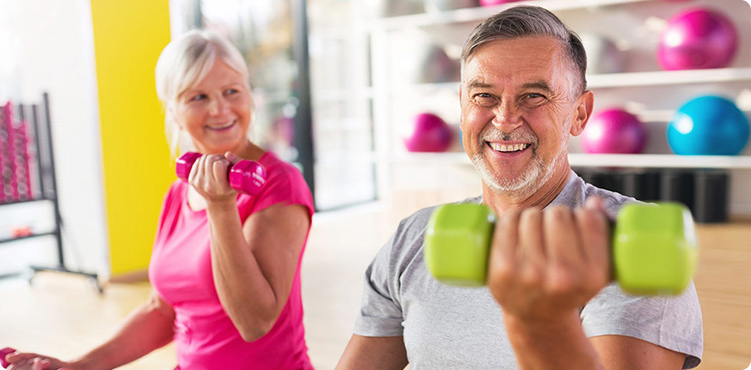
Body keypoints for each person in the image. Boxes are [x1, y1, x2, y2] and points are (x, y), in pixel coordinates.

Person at [335, 5, 702, 370]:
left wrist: (541, 321)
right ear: (462, 108)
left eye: (533, 96)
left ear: (580, 114)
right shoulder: (412, 238)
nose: (506, 119)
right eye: (484, 96)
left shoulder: (627, 245)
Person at [5, 30, 315, 370]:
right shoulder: (177, 194)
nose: (219, 109)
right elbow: (162, 310)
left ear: (250, 97)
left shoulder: (279, 182)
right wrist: (77, 366)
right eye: (198, 97)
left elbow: (255, 322)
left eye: (231, 92)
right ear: (174, 111)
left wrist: (221, 207)